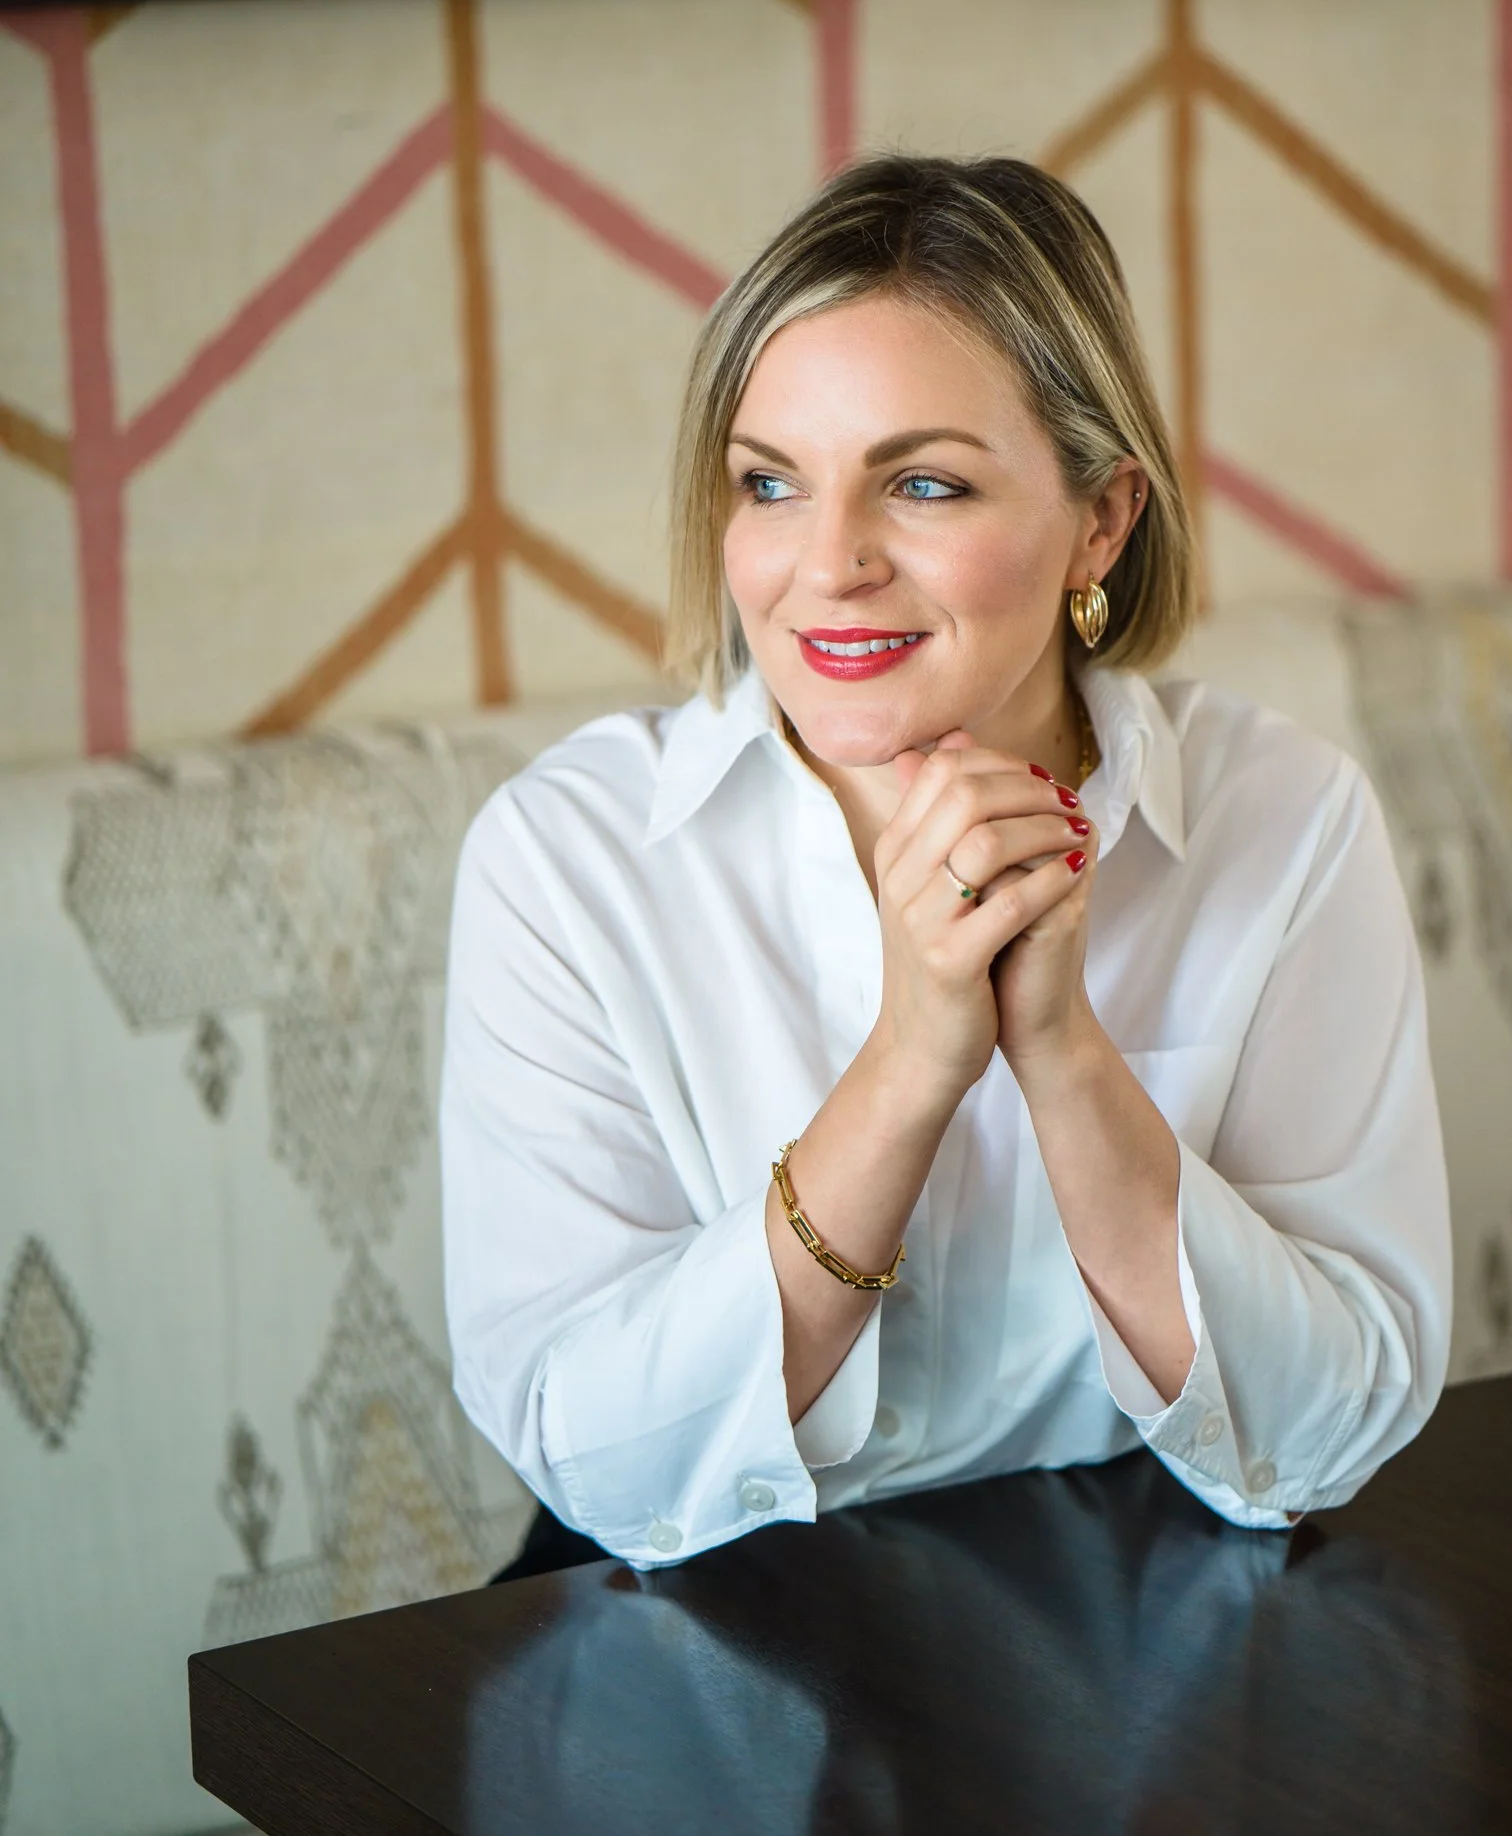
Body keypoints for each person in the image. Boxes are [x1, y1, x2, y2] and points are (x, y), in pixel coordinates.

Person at [441, 155, 1451, 1577]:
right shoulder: (571, 862)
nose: (828, 562)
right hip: (680, 1633)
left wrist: (1061, 1051)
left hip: (1144, 1624)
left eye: (920, 483)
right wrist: (910, 1066)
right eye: (769, 483)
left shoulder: (1283, 821)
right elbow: (599, 1465)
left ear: (1100, 518)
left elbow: (1329, 1435)